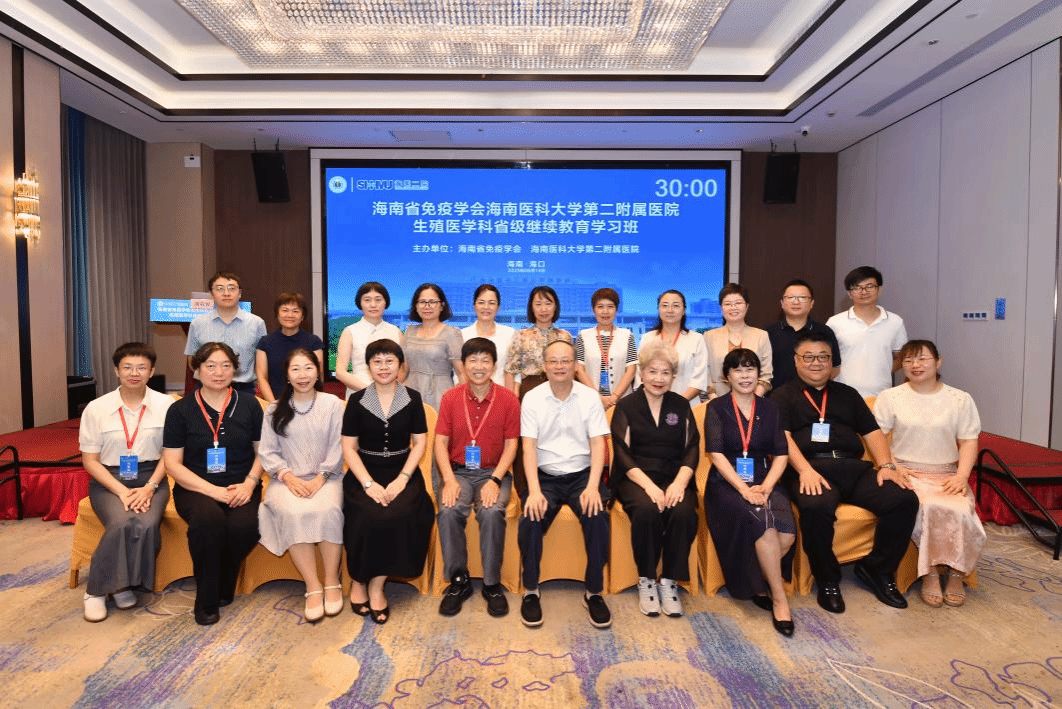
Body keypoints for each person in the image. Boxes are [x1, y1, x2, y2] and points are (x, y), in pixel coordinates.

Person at [772, 331, 918, 613]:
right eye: (809, 357)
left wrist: (886, 466)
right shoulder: (782, 396)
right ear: (796, 360)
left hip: (853, 467)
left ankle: (877, 569)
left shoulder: (848, 394)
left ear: (832, 362)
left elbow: (872, 432)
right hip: (810, 468)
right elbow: (782, 438)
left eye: (823, 357)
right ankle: (827, 579)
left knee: (903, 499)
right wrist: (804, 470)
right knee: (816, 508)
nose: (816, 363)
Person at [873, 340, 985, 608]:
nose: (915, 365)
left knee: (960, 509)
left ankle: (956, 574)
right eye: (908, 360)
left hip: (946, 473)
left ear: (938, 361)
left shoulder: (960, 399)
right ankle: (931, 573)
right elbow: (878, 437)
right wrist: (891, 465)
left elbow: (968, 441)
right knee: (926, 506)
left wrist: (961, 476)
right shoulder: (890, 397)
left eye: (922, 359)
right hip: (905, 472)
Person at [163, 342, 264, 626]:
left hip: (242, 484)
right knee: (208, 522)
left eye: (225, 366)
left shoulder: (249, 405)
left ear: (235, 370)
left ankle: (223, 581)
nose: (218, 372)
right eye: (210, 366)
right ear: (196, 370)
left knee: (245, 527)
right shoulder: (180, 410)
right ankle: (207, 600)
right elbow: (172, 463)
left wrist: (249, 484)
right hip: (195, 487)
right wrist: (213, 491)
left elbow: (263, 452)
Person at [518, 339, 611, 629]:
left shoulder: (589, 397)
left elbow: (598, 444)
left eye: (566, 361)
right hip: (545, 476)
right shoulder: (532, 398)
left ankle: (593, 591)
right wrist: (534, 491)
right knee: (531, 517)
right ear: (544, 366)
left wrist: (593, 487)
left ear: (575, 365)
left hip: (582, 475)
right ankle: (531, 589)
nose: (560, 366)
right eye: (554, 361)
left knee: (597, 516)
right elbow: (528, 447)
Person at [78, 342, 174, 622]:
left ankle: (123, 585)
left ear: (151, 371)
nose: (134, 373)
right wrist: (121, 491)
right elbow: (90, 461)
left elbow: (170, 454)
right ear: (116, 371)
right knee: (121, 522)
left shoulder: (166, 405)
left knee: (147, 523)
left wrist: (150, 488)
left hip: (152, 477)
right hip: (109, 479)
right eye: (127, 367)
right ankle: (96, 591)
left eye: (141, 368)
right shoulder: (97, 408)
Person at [341, 339, 434, 625]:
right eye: (377, 361)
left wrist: (402, 479)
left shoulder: (412, 398)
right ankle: (359, 579)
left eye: (389, 361)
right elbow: (349, 448)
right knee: (367, 514)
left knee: (399, 513)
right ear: (368, 366)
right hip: (364, 473)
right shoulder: (357, 400)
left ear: (400, 365)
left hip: (402, 471)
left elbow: (420, 443)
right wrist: (369, 485)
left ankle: (376, 585)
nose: (383, 367)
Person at [705, 348, 796, 637]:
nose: (745, 376)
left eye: (750, 369)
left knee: (787, 534)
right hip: (727, 482)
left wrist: (766, 486)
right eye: (738, 370)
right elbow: (716, 454)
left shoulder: (770, 409)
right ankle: (779, 600)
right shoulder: (717, 408)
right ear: (727, 376)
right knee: (765, 527)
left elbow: (781, 454)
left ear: (759, 374)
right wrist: (744, 489)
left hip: (764, 478)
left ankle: (756, 579)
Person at [609, 341, 699, 619]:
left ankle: (669, 580)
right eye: (652, 371)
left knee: (683, 511)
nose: (658, 378)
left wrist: (679, 483)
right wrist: (649, 487)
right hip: (635, 477)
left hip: (673, 476)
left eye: (665, 373)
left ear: (673, 376)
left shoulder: (681, 405)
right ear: (641, 373)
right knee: (647, 510)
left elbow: (692, 448)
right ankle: (646, 579)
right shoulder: (627, 406)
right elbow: (622, 454)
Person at [434, 338, 521, 617]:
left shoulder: (508, 399)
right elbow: (440, 442)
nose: (479, 366)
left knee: (492, 511)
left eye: (485, 360)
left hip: (493, 472)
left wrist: (495, 480)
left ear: (494, 365)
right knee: (449, 510)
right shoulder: (450, 397)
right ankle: (459, 581)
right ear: (464, 365)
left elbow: (512, 445)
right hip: (458, 471)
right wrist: (448, 479)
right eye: (473, 360)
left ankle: (492, 584)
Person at [257, 348, 345, 623]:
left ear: (318, 372)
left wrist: (321, 477)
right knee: (292, 512)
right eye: (295, 369)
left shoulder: (333, 404)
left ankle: (331, 580)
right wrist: (289, 478)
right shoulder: (274, 409)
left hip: (327, 477)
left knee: (329, 510)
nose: (302, 375)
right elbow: (267, 452)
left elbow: (340, 445)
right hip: (285, 480)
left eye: (308, 368)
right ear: (287, 374)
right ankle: (312, 585)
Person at [826, 266, 908, 398]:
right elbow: (825, 357)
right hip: (842, 395)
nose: (864, 291)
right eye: (857, 287)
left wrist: (883, 370)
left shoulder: (895, 321)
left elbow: (902, 357)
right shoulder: (834, 322)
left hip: (881, 395)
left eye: (870, 286)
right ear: (849, 293)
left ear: (879, 289)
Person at [184, 271, 267, 395]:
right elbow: (192, 361)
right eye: (220, 289)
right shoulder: (198, 323)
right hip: (206, 388)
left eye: (232, 288)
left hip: (243, 389)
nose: (226, 293)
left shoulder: (257, 323)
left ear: (240, 293)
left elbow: (262, 364)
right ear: (212, 294)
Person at [765, 279, 841, 391]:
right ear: (782, 303)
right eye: (791, 297)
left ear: (812, 303)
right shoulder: (767, 333)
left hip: (815, 397)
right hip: (775, 397)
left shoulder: (825, 331)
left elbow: (835, 368)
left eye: (802, 298)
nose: (796, 302)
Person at [402, 282, 465, 411]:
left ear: (442, 306)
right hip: (410, 394)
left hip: (440, 395)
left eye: (432, 302)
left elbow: (462, 373)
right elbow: (403, 369)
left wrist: (457, 400)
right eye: (422, 302)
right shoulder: (409, 331)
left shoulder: (452, 333)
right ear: (416, 306)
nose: (427, 306)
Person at [335, 281, 403, 399]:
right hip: (359, 393)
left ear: (385, 302)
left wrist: (390, 390)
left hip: (391, 395)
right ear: (360, 303)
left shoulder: (395, 331)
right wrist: (371, 392)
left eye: (378, 300)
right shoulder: (350, 332)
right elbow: (340, 372)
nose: (373, 305)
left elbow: (404, 368)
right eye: (367, 300)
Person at [638, 289, 708, 405]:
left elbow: (699, 380)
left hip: (687, 405)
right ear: (658, 309)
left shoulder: (696, 339)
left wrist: (677, 404)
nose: (670, 310)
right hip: (651, 406)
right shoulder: (647, 338)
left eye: (676, 306)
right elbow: (639, 374)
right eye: (665, 305)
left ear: (684, 310)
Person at [704, 283, 773, 399]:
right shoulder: (708, 336)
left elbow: (766, 374)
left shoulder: (761, 335)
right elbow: (705, 372)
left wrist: (752, 400)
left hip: (753, 401)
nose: (733, 307)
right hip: (717, 400)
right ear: (721, 307)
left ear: (747, 306)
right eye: (728, 304)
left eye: (738, 303)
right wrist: (715, 400)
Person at [503, 285, 573, 399]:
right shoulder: (521, 336)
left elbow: (571, 369)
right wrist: (510, 400)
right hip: (529, 390)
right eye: (538, 304)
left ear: (555, 306)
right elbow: (510, 371)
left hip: (560, 390)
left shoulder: (564, 336)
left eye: (548, 304)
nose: (543, 309)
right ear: (531, 307)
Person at [575, 287, 638, 411]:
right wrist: (598, 397)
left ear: (616, 310)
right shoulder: (583, 336)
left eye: (610, 307)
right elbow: (579, 370)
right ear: (593, 310)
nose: (605, 311)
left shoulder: (627, 335)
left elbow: (631, 370)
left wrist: (614, 397)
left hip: (622, 401)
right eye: (600, 307)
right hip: (591, 402)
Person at [255, 292, 324, 403]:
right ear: (277, 314)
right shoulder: (265, 342)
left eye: (295, 311)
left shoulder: (314, 342)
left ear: (302, 316)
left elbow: (318, 376)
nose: (290, 315)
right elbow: (262, 378)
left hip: (307, 403)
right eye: (285, 310)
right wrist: (274, 405)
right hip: (275, 402)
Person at [461, 284, 515, 387]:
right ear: (474, 306)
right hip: (470, 392)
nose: (486, 307)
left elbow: (514, 370)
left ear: (498, 307)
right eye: (481, 302)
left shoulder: (510, 334)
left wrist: (510, 394)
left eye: (491, 303)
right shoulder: (462, 335)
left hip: (501, 392)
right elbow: (459, 372)